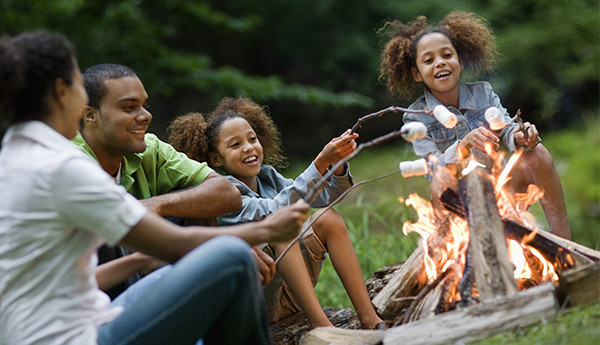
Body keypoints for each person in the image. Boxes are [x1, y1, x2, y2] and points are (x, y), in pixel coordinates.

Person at [0, 31, 310, 345]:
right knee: (231, 256)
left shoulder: (15, 156)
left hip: (83, 320)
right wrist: (266, 229)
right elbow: (175, 244)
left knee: (175, 274)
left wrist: (143, 260)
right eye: (79, 85)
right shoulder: (63, 166)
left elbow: (68, 283)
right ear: (61, 92)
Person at [166, 97, 385, 330]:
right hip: (251, 304)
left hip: (286, 294)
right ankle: (323, 329)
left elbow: (324, 198)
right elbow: (273, 211)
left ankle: (370, 319)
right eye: (235, 145)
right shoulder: (221, 193)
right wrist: (320, 161)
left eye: (252, 139)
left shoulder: (268, 177)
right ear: (215, 159)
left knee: (328, 219)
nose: (249, 147)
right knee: (280, 228)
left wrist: (337, 165)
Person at [378, 11, 571, 239]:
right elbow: (432, 169)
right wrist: (463, 147)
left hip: (500, 191)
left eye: (446, 55)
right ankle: (453, 260)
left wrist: (520, 137)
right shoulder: (415, 117)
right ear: (416, 73)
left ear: (459, 60)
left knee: (536, 152)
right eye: (428, 60)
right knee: (440, 183)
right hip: (459, 208)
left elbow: (507, 129)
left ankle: (566, 247)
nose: (440, 63)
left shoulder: (484, 93)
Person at [73, 63, 244, 298]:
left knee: (199, 207)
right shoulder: (69, 163)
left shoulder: (149, 149)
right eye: (129, 107)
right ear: (90, 115)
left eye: (145, 105)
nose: (145, 116)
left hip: (141, 275)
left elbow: (228, 194)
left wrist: (156, 205)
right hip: (89, 301)